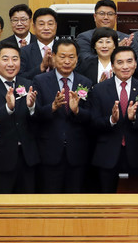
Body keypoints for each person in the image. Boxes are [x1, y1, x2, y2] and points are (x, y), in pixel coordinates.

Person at [0, 41, 40, 194]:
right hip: (1, 161)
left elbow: (39, 121)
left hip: (28, 159)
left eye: (15, 59)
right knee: (1, 205)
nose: (10, 64)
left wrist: (32, 107)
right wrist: (8, 108)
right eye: (5, 59)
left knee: (28, 204)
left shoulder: (29, 84)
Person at [31, 38, 93, 193]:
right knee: (50, 199)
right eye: (62, 56)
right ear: (53, 57)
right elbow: (34, 115)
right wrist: (52, 107)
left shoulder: (85, 82)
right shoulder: (40, 80)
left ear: (77, 59)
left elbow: (91, 117)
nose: (67, 61)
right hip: (49, 152)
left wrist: (77, 111)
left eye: (71, 57)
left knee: (75, 200)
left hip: (77, 154)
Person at [89, 46, 138, 192]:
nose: (125, 66)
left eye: (129, 61)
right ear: (112, 66)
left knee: (136, 198)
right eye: (120, 62)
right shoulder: (99, 89)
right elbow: (93, 123)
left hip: (136, 155)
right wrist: (111, 120)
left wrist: (134, 118)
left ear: (135, 64)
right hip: (107, 155)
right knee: (108, 198)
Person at [20, 7, 59, 80]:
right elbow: (20, 78)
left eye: (50, 24)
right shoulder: (24, 52)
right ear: (34, 27)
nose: (46, 28)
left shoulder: (64, 49)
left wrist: (56, 68)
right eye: (41, 24)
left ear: (56, 26)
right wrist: (41, 67)